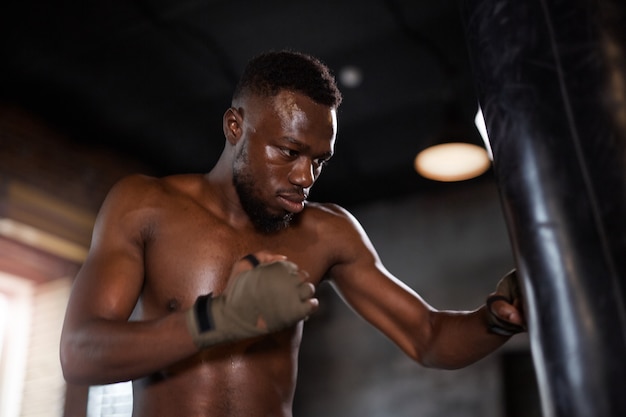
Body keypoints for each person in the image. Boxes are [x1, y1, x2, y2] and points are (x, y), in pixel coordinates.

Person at [60, 50, 526, 417]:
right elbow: (80, 353)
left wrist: (495, 319)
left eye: (320, 160)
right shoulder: (145, 206)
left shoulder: (328, 233)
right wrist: (216, 321)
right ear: (235, 126)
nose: (306, 176)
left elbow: (428, 336)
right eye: (289, 151)